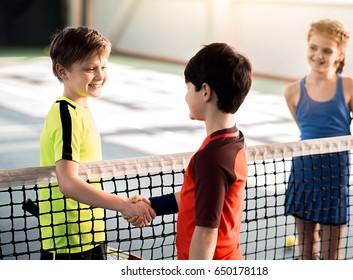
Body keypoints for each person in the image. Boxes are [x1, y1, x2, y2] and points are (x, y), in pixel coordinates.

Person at [126, 42, 252, 259]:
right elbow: (198, 196)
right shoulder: (232, 141)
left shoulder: (211, 157)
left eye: (188, 88)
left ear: (205, 91)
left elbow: (206, 234)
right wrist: (154, 205)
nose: (186, 96)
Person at [39, 26, 155, 260]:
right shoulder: (65, 114)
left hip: (90, 233)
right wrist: (123, 204)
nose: (100, 75)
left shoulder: (82, 109)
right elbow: (68, 183)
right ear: (63, 71)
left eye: (103, 67)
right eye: (90, 69)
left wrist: (126, 204)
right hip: (69, 242)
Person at [284, 19, 353, 260]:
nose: (318, 55)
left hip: (335, 178)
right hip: (303, 174)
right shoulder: (292, 92)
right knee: (305, 251)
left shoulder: (348, 86)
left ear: (339, 53)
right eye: (313, 47)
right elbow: (307, 134)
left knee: (331, 254)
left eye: (327, 50)